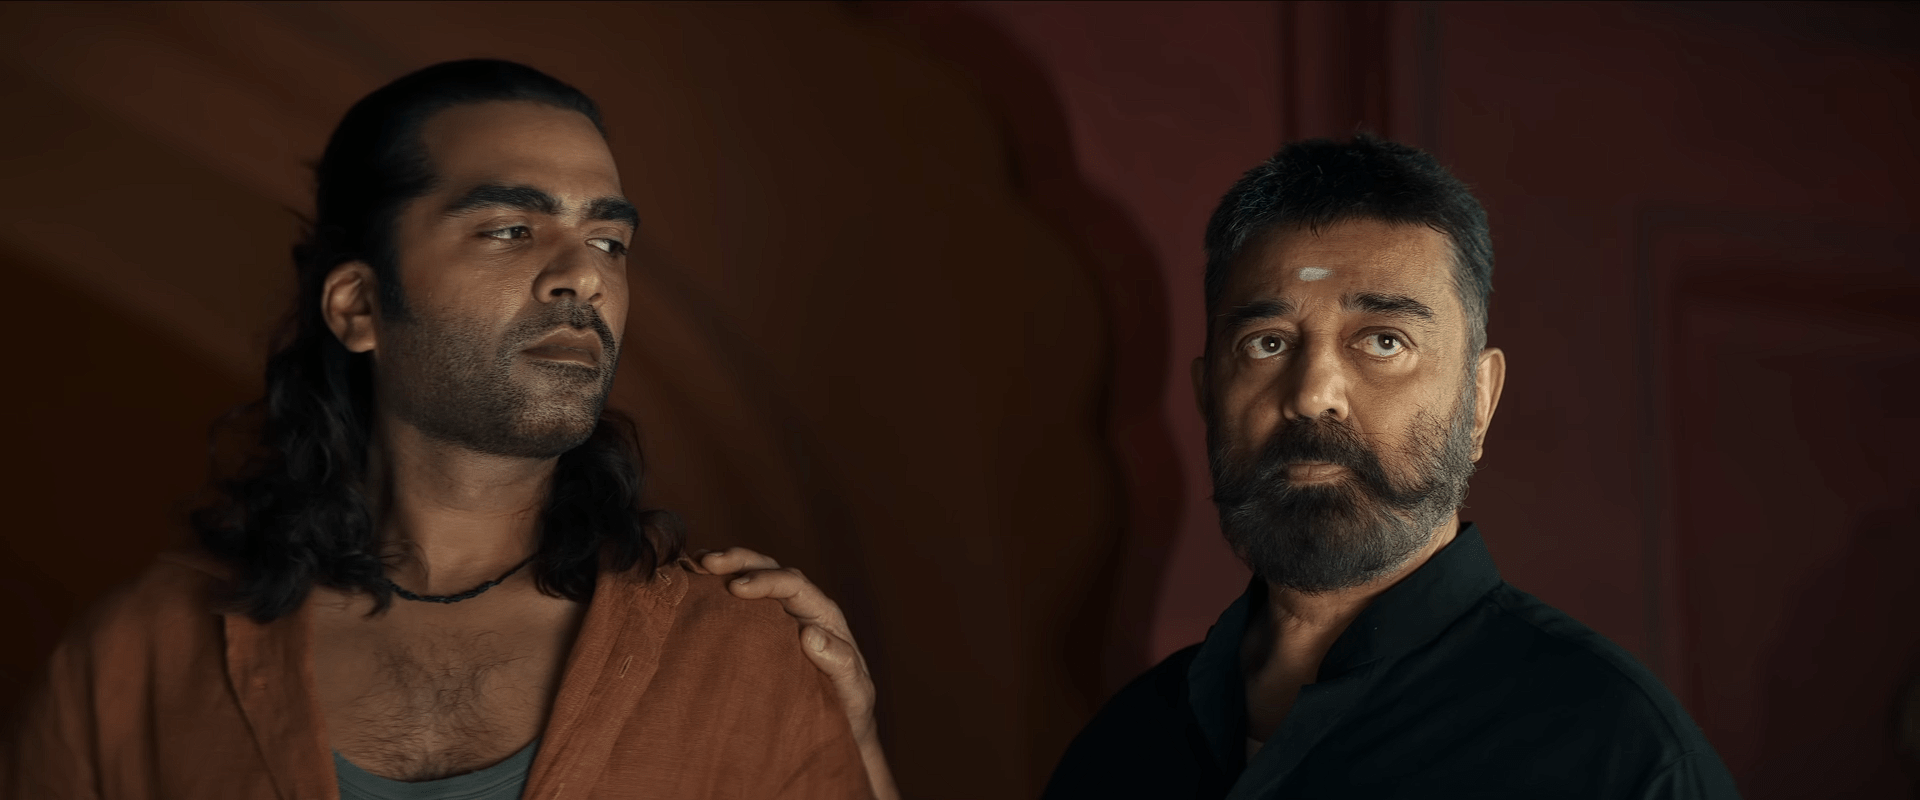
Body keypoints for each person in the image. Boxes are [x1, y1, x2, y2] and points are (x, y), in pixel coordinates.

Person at [760, 134, 1744, 799]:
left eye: (1383, 341)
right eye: (1268, 342)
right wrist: (854, 760)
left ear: (1479, 399)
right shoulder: (1126, 751)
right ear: (1205, 391)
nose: (1314, 392)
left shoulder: (1614, 753)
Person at [0, 59, 878, 799]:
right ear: (360, 305)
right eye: (510, 227)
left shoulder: (742, 653)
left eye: (609, 241)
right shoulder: (138, 659)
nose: (584, 276)